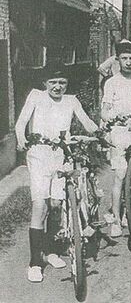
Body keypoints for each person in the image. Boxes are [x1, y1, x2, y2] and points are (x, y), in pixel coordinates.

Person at [15, 61, 99, 282]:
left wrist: (100, 132)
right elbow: (21, 122)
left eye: (62, 82)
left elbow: (87, 121)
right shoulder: (36, 96)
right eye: (53, 82)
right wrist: (22, 138)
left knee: (56, 205)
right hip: (39, 155)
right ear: (45, 83)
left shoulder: (71, 101)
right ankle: (35, 262)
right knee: (40, 205)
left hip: (61, 156)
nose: (57, 87)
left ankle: (51, 251)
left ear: (67, 84)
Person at [101, 40, 131, 238]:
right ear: (118, 60)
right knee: (120, 175)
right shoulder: (112, 82)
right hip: (120, 130)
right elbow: (104, 109)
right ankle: (116, 217)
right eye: (124, 59)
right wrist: (110, 119)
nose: (128, 62)